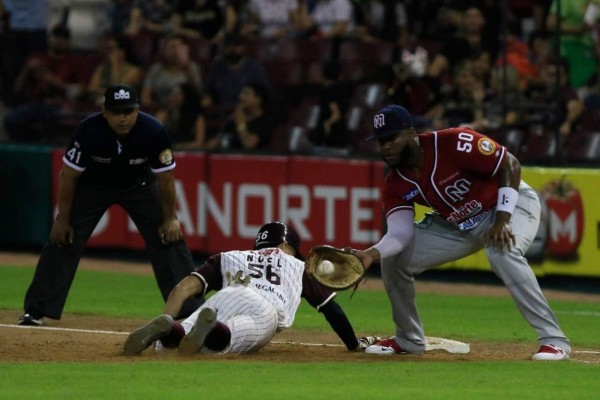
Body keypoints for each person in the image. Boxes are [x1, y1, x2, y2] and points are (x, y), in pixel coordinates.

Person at [351, 104, 571, 361]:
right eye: (380, 142)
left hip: (508, 205)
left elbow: (509, 164)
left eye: (391, 139)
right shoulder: (395, 183)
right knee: (394, 259)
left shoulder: (453, 142)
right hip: (457, 225)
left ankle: (554, 341)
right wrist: (370, 254)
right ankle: (408, 339)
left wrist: (502, 218)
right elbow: (399, 235)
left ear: (410, 133)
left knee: (502, 252)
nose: (385, 147)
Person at [17, 83, 202, 327]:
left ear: (137, 110)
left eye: (129, 111)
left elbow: (165, 178)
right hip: (94, 185)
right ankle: (36, 310)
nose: (123, 118)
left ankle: (191, 312)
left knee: (169, 237)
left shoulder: (154, 131)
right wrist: (62, 218)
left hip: (140, 184)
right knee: (62, 238)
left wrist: (170, 218)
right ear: (104, 111)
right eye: (116, 112)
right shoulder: (88, 130)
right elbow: (68, 176)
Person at [123, 221, 380, 355]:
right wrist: (352, 344)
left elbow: (182, 288)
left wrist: (168, 314)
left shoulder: (231, 255)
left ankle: (169, 328)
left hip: (228, 294)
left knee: (177, 337)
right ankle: (212, 330)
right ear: (286, 246)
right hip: (265, 309)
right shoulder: (298, 267)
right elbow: (331, 310)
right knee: (226, 341)